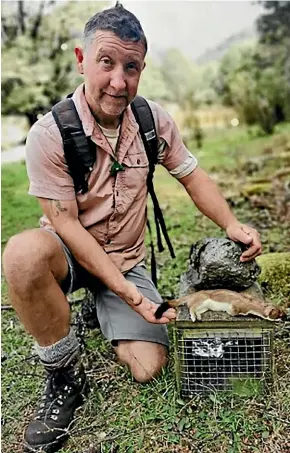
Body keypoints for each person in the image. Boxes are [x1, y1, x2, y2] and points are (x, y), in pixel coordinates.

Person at [2, 3, 262, 452]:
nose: (119, 82)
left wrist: (232, 222)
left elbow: (192, 175)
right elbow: (64, 222)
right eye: (106, 62)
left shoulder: (151, 120)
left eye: (132, 66)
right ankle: (65, 374)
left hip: (126, 258)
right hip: (67, 252)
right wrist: (129, 294)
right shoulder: (49, 133)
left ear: (142, 67)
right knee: (22, 256)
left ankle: (93, 310)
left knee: (147, 367)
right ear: (83, 60)